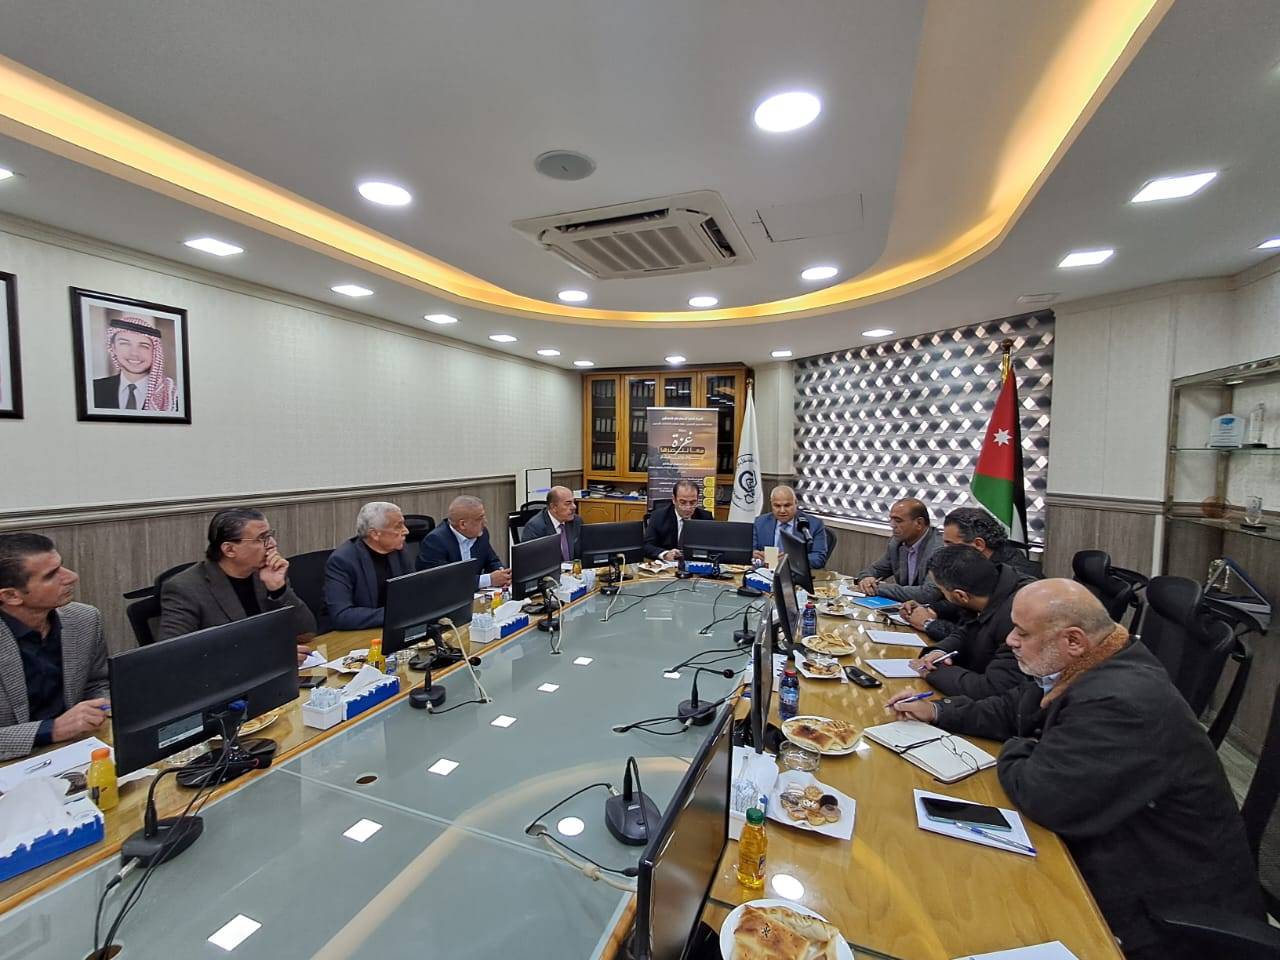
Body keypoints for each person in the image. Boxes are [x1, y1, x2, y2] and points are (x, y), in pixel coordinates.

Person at [888, 580, 1262, 960]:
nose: (1011, 640)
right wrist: (938, 711)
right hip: (1111, 852)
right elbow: (1013, 709)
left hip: (1159, 912)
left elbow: (1041, 795)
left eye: (1022, 633)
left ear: (1073, 640)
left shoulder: (1121, 701)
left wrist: (1021, 745)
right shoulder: (1088, 662)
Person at [0, 533, 110, 761]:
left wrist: (103, 705)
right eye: (51, 575)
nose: (72, 577)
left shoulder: (84, 619)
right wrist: (52, 729)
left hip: (80, 749)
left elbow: (97, 683)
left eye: (62, 566)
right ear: (11, 596)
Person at [158, 509, 317, 665]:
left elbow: (306, 633)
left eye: (270, 536)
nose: (273, 544)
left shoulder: (266, 573)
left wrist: (278, 589)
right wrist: (268, 656)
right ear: (229, 549)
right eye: (262, 538)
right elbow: (174, 657)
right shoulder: (185, 588)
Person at [904, 545, 1034, 698]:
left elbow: (994, 689)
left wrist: (934, 672)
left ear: (961, 596)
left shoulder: (1017, 617)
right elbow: (967, 630)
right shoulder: (994, 585)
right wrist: (940, 652)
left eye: (943, 592)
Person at [901, 505, 1040, 638]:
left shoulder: (1019, 584)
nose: (945, 551)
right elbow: (963, 604)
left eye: (950, 544)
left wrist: (929, 624)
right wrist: (931, 610)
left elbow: (980, 639)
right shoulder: (982, 563)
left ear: (978, 544)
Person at [324, 502, 414, 630]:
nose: (406, 531)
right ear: (375, 534)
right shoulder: (342, 560)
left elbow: (412, 592)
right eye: (398, 526)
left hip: (390, 627)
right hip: (353, 633)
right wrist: (396, 614)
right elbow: (342, 615)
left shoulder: (399, 550)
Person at [853, 498, 943, 602]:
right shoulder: (896, 544)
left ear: (919, 523)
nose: (892, 525)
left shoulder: (939, 550)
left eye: (898, 521)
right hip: (906, 607)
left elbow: (928, 593)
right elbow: (874, 570)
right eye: (891, 520)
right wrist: (866, 579)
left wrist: (878, 588)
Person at [417, 496, 511, 589]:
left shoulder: (481, 534)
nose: (485, 522)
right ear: (463, 524)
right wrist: (488, 580)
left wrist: (503, 574)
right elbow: (444, 581)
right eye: (480, 518)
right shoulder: (435, 541)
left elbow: (492, 561)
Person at [91, 314, 180, 412]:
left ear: (154, 352)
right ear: (113, 348)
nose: (134, 353)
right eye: (125, 344)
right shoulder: (93, 389)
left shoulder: (171, 397)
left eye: (144, 346)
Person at [751, 485, 829, 569]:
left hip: (795, 572)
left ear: (796, 503)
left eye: (787, 505)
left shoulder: (814, 524)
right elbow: (750, 551)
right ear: (771, 504)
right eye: (777, 506)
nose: (782, 511)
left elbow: (819, 558)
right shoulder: (760, 522)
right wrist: (754, 555)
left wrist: (790, 560)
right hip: (765, 571)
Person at [644, 479, 713, 561]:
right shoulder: (658, 516)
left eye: (692, 502)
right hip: (668, 565)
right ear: (674, 499)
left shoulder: (705, 517)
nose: (688, 507)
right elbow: (646, 546)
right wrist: (665, 554)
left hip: (695, 564)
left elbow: (713, 547)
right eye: (683, 502)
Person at [519, 486, 582, 561]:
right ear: (554, 507)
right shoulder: (535, 527)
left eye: (573, 502)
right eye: (568, 503)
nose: (574, 507)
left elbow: (583, 551)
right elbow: (530, 560)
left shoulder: (576, 521)